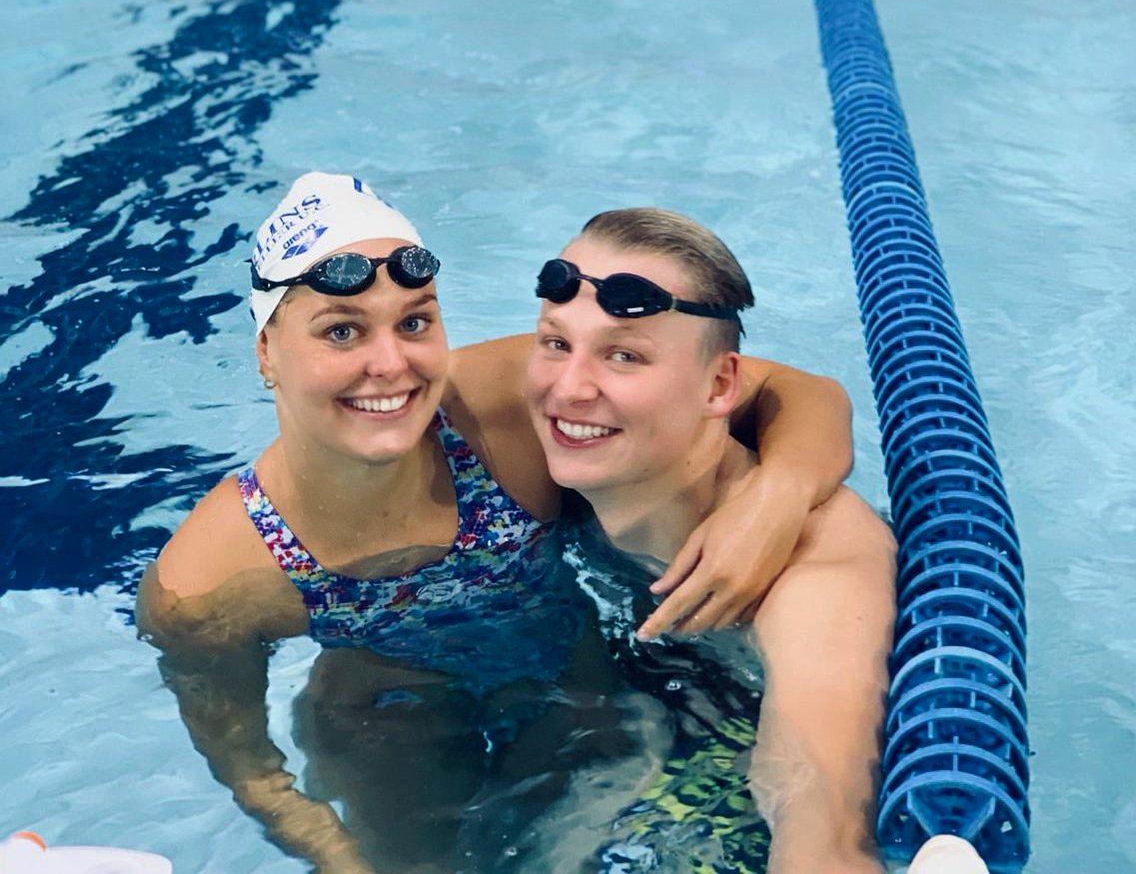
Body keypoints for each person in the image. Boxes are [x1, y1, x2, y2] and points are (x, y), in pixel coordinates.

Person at [136, 173, 857, 873]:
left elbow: (798, 391)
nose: (390, 365)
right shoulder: (209, 581)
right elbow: (255, 774)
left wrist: (776, 502)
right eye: (342, 332)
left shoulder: (509, 404)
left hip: (577, 677)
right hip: (384, 716)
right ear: (267, 353)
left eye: (415, 321)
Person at [525, 207, 898, 874]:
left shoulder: (818, 581)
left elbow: (823, 829)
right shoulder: (559, 450)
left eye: (623, 355)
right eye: (557, 343)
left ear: (721, 385)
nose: (568, 388)